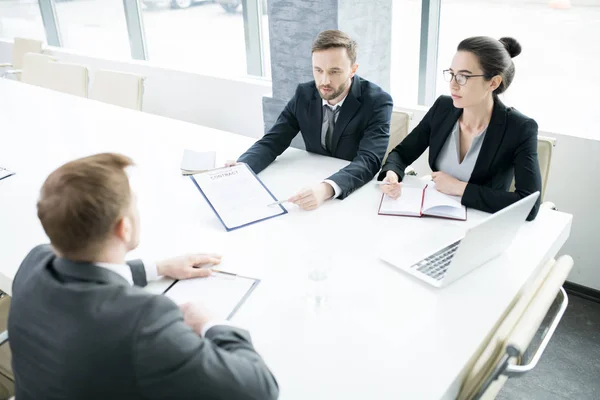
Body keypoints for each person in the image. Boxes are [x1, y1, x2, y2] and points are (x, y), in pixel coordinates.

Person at [8, 153, 279, 400]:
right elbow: (258, 390)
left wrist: (157, 267)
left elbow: (86, 272)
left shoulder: (34, 262)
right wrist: (210, 323)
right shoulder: (144, 321)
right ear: (124, 228)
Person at [379, 36, 542, 221]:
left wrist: (459, 188)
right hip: (432, 215)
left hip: (480, 225)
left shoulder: (519, 128)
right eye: (451, 73)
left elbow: (530, 205)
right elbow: (402, 154)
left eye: (463, 76)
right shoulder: (443, 108)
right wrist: (391, 174)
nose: (453, 84)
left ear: (493, 83)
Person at [232, 29, 393, 211]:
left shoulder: (377, 101)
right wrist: (242, 168)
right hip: (308, 179)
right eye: (318, 70)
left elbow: (369, 160)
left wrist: (325, 189)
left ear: (352, 70)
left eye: (334, 71)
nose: (324, 81)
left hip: (352, 195)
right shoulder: (304, 94)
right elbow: (273, 141)